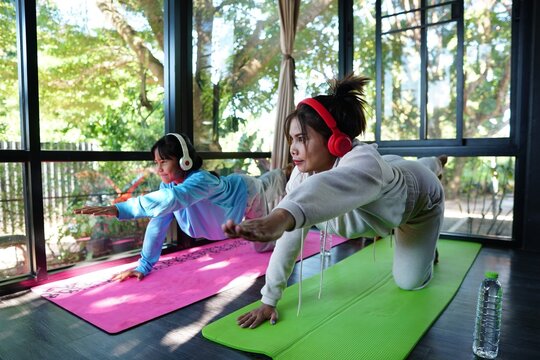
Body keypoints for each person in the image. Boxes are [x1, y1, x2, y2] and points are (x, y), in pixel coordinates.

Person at [222, 74, 446, 329]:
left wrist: (281, 216)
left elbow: (327, 187)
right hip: (386, 178)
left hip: (420, 205)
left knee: (410, 282)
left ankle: (434, 166)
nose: (292, 149)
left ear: (334, 140)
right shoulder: (302, 174)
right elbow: (291, 237)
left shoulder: (363, 163)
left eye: (301, 139)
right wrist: (269, 299)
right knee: (389, 167)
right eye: (291, 139)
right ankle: (427, 167)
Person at [74, 133, 288, 281]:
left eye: (163, 162)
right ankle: (280, 174)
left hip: (246, 192)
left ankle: (285, 174)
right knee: (266, 184)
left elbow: (173, 198)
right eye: (156, 163)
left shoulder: (201, 180)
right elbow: (157, 224)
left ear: (185, 161)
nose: (159, 169)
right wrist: (143, 265)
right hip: (227, 205)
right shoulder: (167, 187)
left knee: (263, 243)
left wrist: (122, 209)